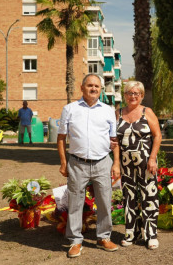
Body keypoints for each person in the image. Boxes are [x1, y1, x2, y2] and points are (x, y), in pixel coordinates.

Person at [57, 74, 120, 258]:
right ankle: (75, 241)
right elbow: (61, 138)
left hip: (102, 162)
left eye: (97, 86)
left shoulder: (108, 110)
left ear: (101, 89)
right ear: (82, 87)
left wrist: (116, 163)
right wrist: (63, 162)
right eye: (90, 85)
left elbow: (114, 139)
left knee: (104, 201)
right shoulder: (69, 109)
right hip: (77, 163)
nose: (94, 89)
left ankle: (103, 237)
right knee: (75, 203)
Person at [114, 80, 162, 250]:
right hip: (126, 165)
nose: (133, 96)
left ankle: (150, 235)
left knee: (149, 197)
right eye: (129, 93)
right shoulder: (118, 113)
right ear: (125, 95)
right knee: (129, 199)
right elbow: (116, 141)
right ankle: (131, 233)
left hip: (146, 164)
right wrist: (116, 164)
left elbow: (157, 136)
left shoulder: (147, 112)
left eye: (136, 93)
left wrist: (152, 158)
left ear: (141, 96)